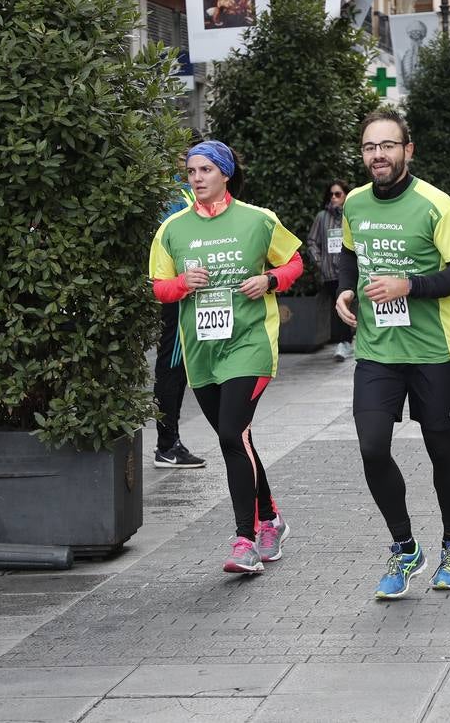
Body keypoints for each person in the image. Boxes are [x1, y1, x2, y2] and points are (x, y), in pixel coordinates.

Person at [335, 109, 450, 599]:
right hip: (377, 349)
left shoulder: (436, 205)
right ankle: (404, 547)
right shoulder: (354, 203)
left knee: (441, 447)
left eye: (388, 146)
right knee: (372, 446)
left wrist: (409, 285)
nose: (379, 155)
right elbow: (351, 254)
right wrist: (345, 290)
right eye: (370, 148)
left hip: (434, 351)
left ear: (407, 150)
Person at [149, 140, 304, 574]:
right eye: (191, 171)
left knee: (231, 435)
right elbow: (159, 287)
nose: (196, 178)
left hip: (249, 344)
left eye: (204, 170)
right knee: (238, 438)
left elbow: (294, 263)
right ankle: (272, 518)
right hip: (202, 350)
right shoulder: (173, 229)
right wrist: (182, 283)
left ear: (225, 174)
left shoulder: (258, 220)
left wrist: (270, 280)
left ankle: (245, 540)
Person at [152, 156, 206, 469]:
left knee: (179, 368)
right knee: (171, 368)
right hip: (176, 294)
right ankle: (166, 444)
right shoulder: (172, 193)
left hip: (191, 294)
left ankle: (170, 442)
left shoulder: (186, 191)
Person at [308, 180, 354, 361]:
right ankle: (344, 343)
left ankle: (348, 341)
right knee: (338, 306)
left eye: (338, 194)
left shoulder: (351, 214)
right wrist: (320, 261)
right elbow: (312, 241)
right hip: (330, 272)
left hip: (350, 270)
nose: (334, 198)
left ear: (345, 196)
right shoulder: (321, 217)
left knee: (352, 304)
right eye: (331, 194)